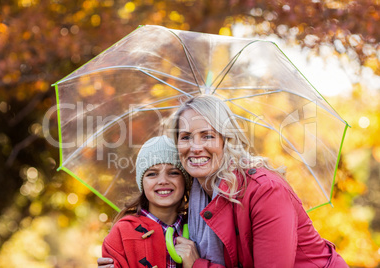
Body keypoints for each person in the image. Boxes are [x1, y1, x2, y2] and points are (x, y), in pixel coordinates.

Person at [99, 95, 348, 267]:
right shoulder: (196, 199)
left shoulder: (265, 190)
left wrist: (197, 265)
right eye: (185, 137)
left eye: (207, 135)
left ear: (226, 140)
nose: (195, 147)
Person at [101, 135, 194, 268]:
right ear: (142, 183)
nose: (163, 181)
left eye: (173, 172)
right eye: (152, 174)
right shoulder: (122, 233)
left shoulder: (198, 229)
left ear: (185, 180)